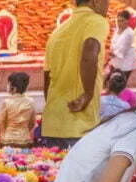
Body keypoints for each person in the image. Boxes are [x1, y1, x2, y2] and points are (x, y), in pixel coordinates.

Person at [42, 0, 110, 149]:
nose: (108, 5)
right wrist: (88, 93)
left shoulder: (57, 32)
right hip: (79, 124)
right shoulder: (96, 21)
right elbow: (89, 49)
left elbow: (47, 77)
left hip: (52, 122)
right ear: (96, 2)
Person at [0, 72, 36, 147]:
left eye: (8, 84)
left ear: (13, 87)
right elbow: (32, 123)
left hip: (8, 139)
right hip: (25, 139)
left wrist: (2, 137)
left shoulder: (7, 102)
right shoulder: (31, 102)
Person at [109, 9, 136, 82]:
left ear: (127, 21)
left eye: (122, 21)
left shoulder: (129, 33)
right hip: (115, 61)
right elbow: (113, 43)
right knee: (111, 82)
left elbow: (123, 50)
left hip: (125, 63)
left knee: (119, 84)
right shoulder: (117, 30)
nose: (119, 23)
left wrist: (112, 53)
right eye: (118, 21)